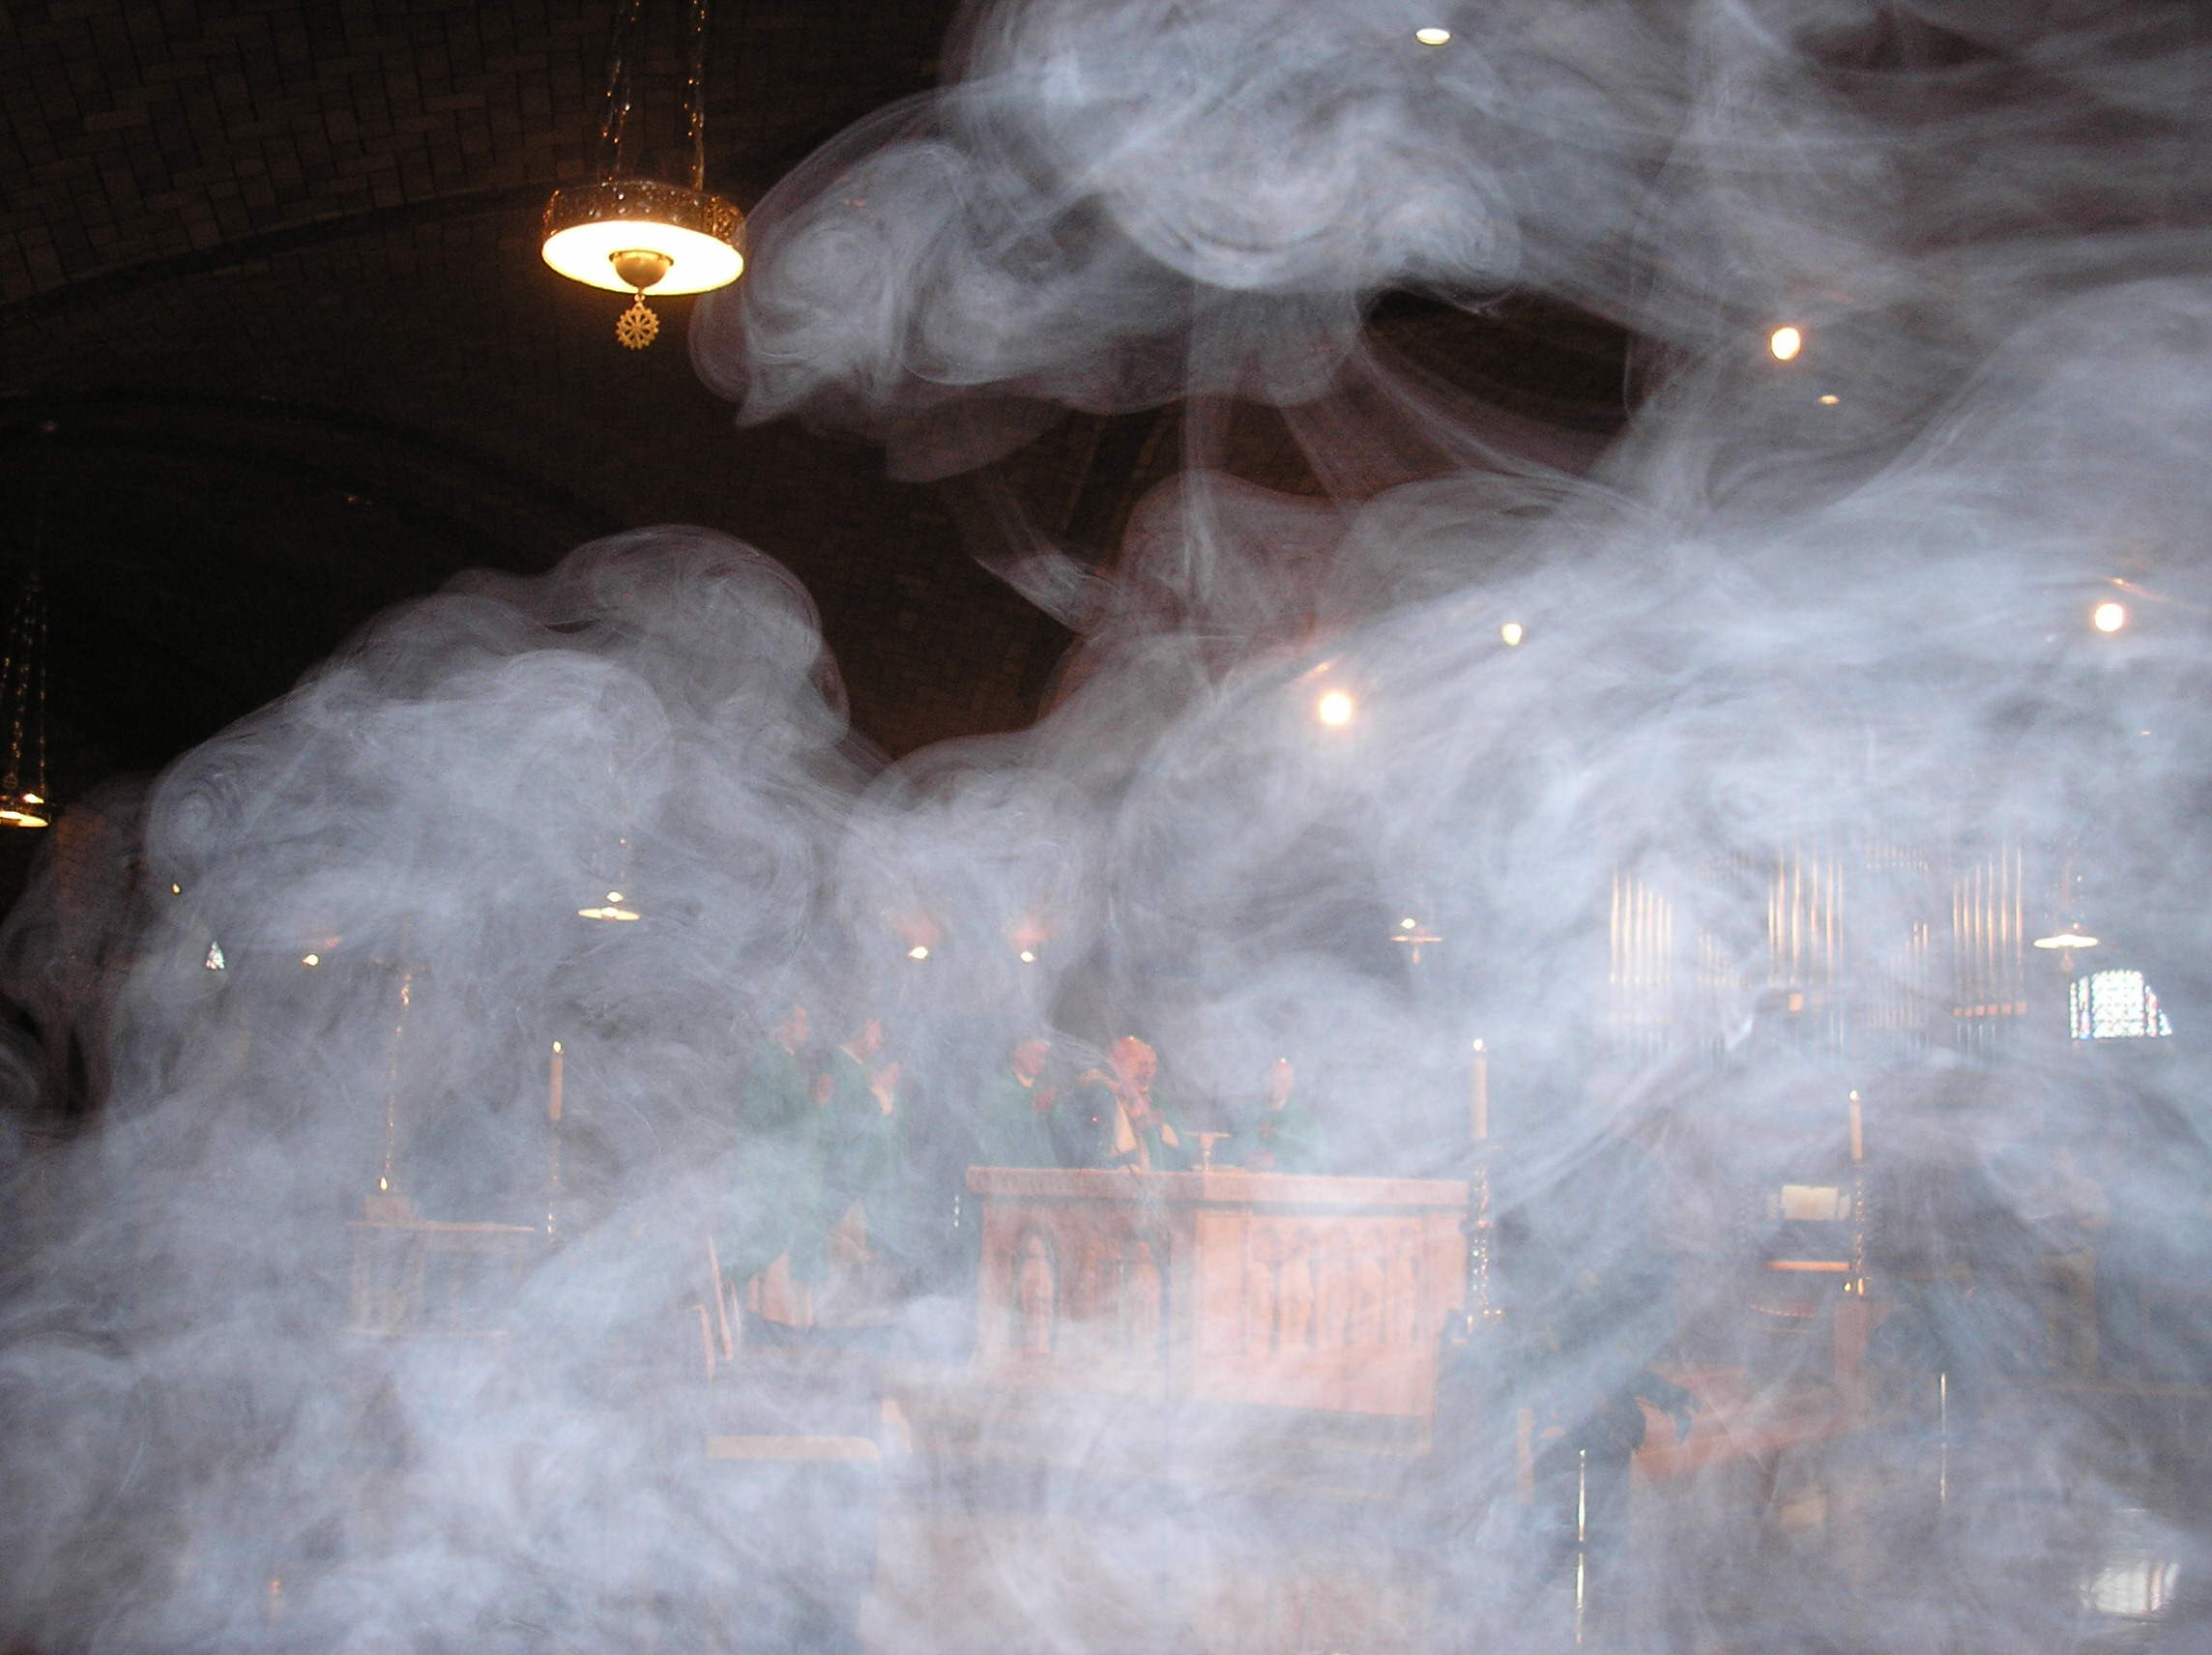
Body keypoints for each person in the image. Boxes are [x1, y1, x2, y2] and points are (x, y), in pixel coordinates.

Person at [723, 1002, 830, 1321]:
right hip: (766, 1167)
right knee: (763, 1234)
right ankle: (734, 1310)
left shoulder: (781, 1060)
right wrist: (816, 1103)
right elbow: (783, 1117)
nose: (805, 1029)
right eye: (800, 1021)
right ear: (781, 1024)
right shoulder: (772, 1059)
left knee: (765, 1235)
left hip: (773, 1164)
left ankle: (742, 1313)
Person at [819, 1016, 908, 1274]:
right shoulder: (840, 1066)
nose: (880, 1040)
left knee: (860, 1256)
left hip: (866, 1177)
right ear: (856, 1035)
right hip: (845, 1173)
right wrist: (879, 1093)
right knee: (840, 1252)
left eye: (881, 1036)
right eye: (874, 1034)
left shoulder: (864, 1070)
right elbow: (851, 1119)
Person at [1067, 1035, 1188, 1172]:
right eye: (1139, 1063)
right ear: (1122, 1059)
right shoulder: (1099, 1089)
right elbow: (1102, 1146)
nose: (1142, 1072)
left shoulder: (1112, 1089)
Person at [1225, 1057, 1332, 1175]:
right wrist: (1244, 1157)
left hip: (1288, 1185)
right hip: (1246, 1182)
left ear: (1292, 1083)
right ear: (1264, 1080)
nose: (1275, 1086)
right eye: (1272, 1079)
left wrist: (1276, 1162)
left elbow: (1318, 1160)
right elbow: (1230, 1149)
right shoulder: (1248, 1113)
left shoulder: (1306, 1119)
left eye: (1282, 1081)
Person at [974, 1034, 1061, 1169]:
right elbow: (991, 1126)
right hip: (1007, 1166)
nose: (1041, 1061)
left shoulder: (1041, 1089)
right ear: (1018, 1053)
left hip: (1041, 1168)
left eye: (1044, 1057)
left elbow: (1059, 1130)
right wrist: (1032, 1108)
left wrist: (1054, 1108)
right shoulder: (997, 1086)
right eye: (1036, 1054)